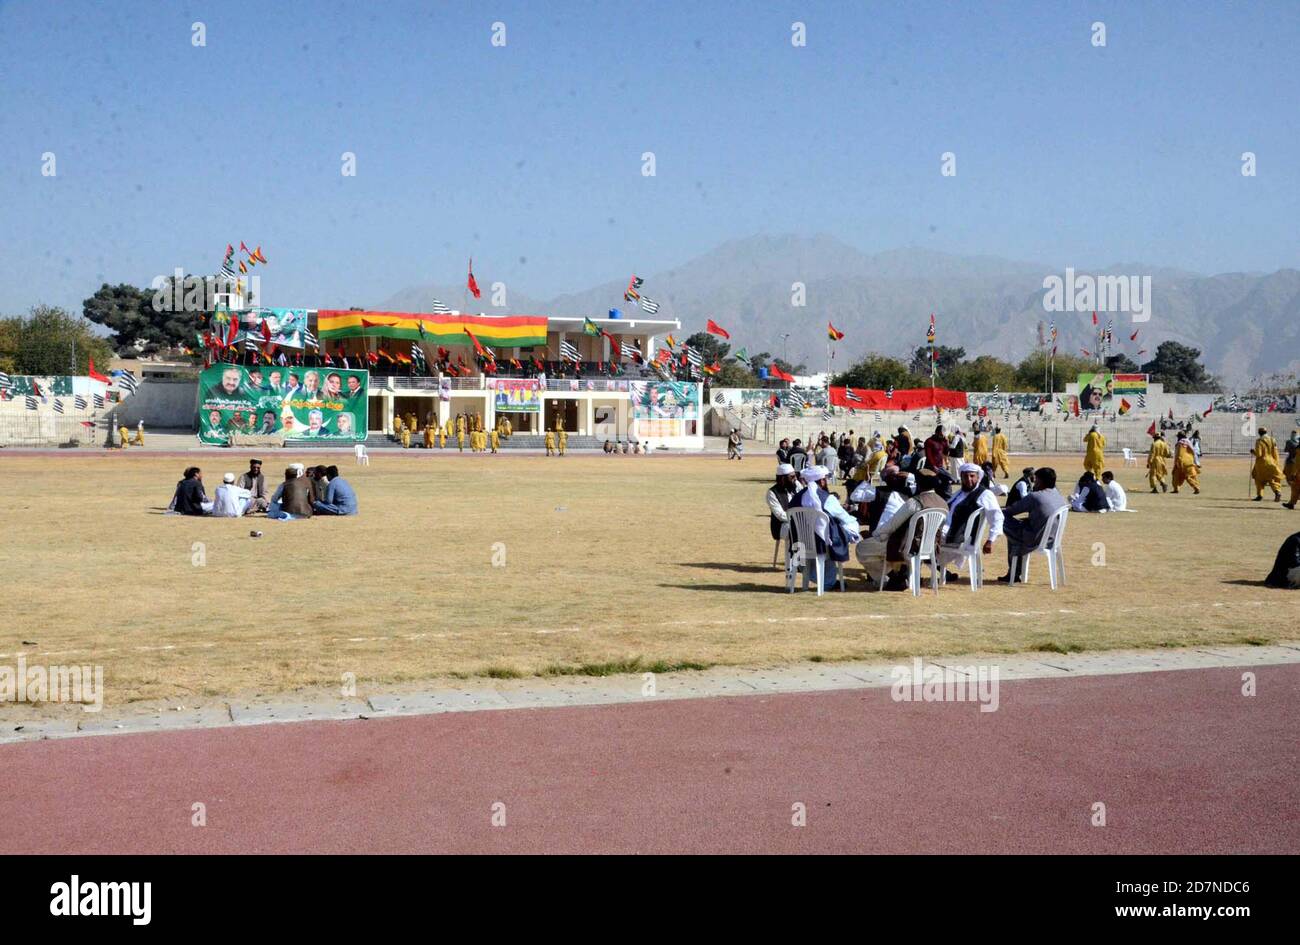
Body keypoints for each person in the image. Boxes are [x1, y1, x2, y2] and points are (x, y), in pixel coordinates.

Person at [856, 468, 946, 591]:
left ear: (919, 483)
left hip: (906, 548)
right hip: (929, 548)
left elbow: (892, 525)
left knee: (862, 548)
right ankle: (898, 574)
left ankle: (889, 578)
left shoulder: (915, 502)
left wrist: (876, 535)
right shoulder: (943, 504)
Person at [796, 466, 861, 589]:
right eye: (826, 479)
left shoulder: (797, 498)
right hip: (822, 544)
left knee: (832, 529)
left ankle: (826, 579)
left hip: (800, 543)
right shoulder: (827, 498)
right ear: (822, 481)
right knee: (850, 525)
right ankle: (828, 581)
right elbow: (845, 517)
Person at [1000, 467, 1068, 582]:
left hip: (1035, 539)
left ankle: (1014, 572)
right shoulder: (1058, 495)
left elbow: (1011, 511)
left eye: (1036, 480)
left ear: (1041, 481)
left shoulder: (1035, 496)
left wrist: (997, 512)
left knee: (1001, 520)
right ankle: (1014, 571)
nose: (1034, 483)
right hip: (1052, 538)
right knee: (1016, 530)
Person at [938, 463, 1004, 579]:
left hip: (960, 537)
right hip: (948, 531)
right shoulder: (959, 493)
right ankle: (941, 571)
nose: (969, 480)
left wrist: (990, 540)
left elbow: (997, 517)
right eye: (965, 476)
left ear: (978, 477)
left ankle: (909, 574)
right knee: (920, 539)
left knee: (922, 542)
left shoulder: (985, 494)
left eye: (972, 476)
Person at [766, 462, 803, 552]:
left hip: (799, 520)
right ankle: (794, 563)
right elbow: (780, 515)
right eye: (792, 477)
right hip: (781, 526)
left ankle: (812, 562)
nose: (795, 479)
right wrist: (798, 519)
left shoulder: (796, 485)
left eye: (795, 476)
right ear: (783, 479)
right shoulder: (772, 493)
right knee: (798, 530)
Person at [1251, 427, 1284, 502]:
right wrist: (1276, 462)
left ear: (1259, 433)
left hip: (1262, 463)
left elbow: (1259, 454)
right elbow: (1275, 452)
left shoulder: (1259, 441)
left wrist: (1253, 452)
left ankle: (1260, 495)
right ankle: (1277, 492)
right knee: (1272, 479)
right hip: (1272, 462)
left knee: (1258, 479)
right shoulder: (1272, 440)